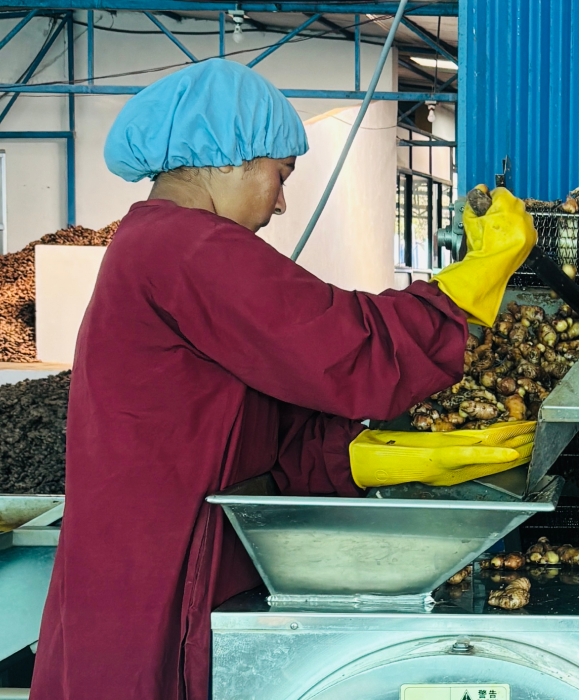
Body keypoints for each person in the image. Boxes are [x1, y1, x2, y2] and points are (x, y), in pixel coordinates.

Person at [32, 59, 536, 699]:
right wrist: (471, 282)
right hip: (159, 565)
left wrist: (363, 459)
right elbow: (345, 347)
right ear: (227, 157)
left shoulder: (157, 245)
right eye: (281, 174)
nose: (282, 199)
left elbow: (251, 415)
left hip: (157, 551)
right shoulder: (188, 249)